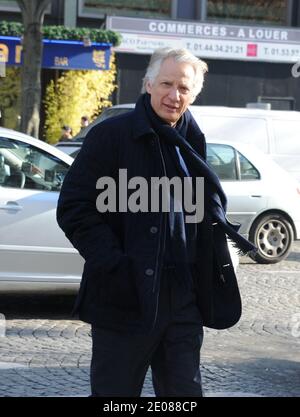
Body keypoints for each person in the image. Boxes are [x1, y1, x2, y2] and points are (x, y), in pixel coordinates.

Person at [56, 47, 256, 397]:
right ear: (148, 84)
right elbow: (74, 207)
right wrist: (115, 265)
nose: (173, 95)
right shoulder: (111, 136)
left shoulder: (192, 141)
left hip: (183, 302)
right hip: (123, 299)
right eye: (166, 83)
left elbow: (193, 216)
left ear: (194, 93)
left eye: (183, 87)